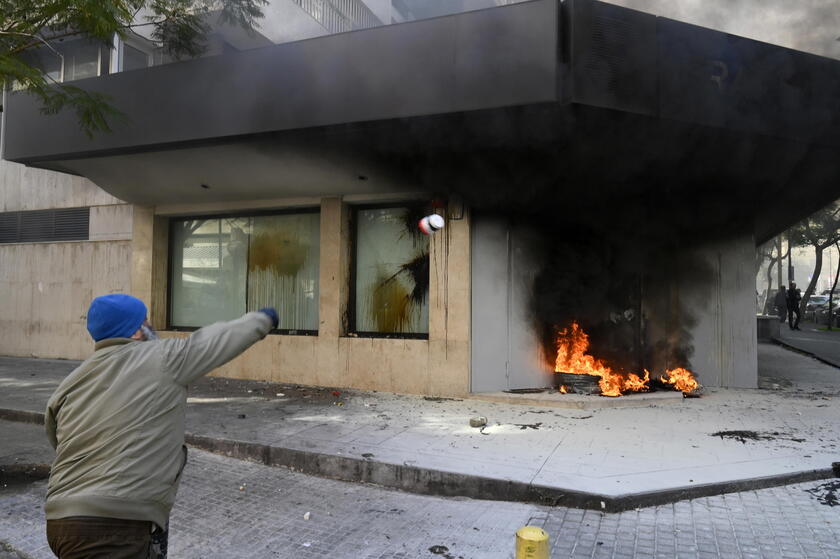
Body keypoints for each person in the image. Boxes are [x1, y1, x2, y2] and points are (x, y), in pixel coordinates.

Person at [44, 294, 278, 558]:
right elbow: (217, 340)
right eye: (146, 320)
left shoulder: (72, 382)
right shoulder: (163, 357)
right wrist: (264, 318)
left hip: (60, 521)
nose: (151, 326)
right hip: (114, 526)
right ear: (134, 331)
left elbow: (57, 440)